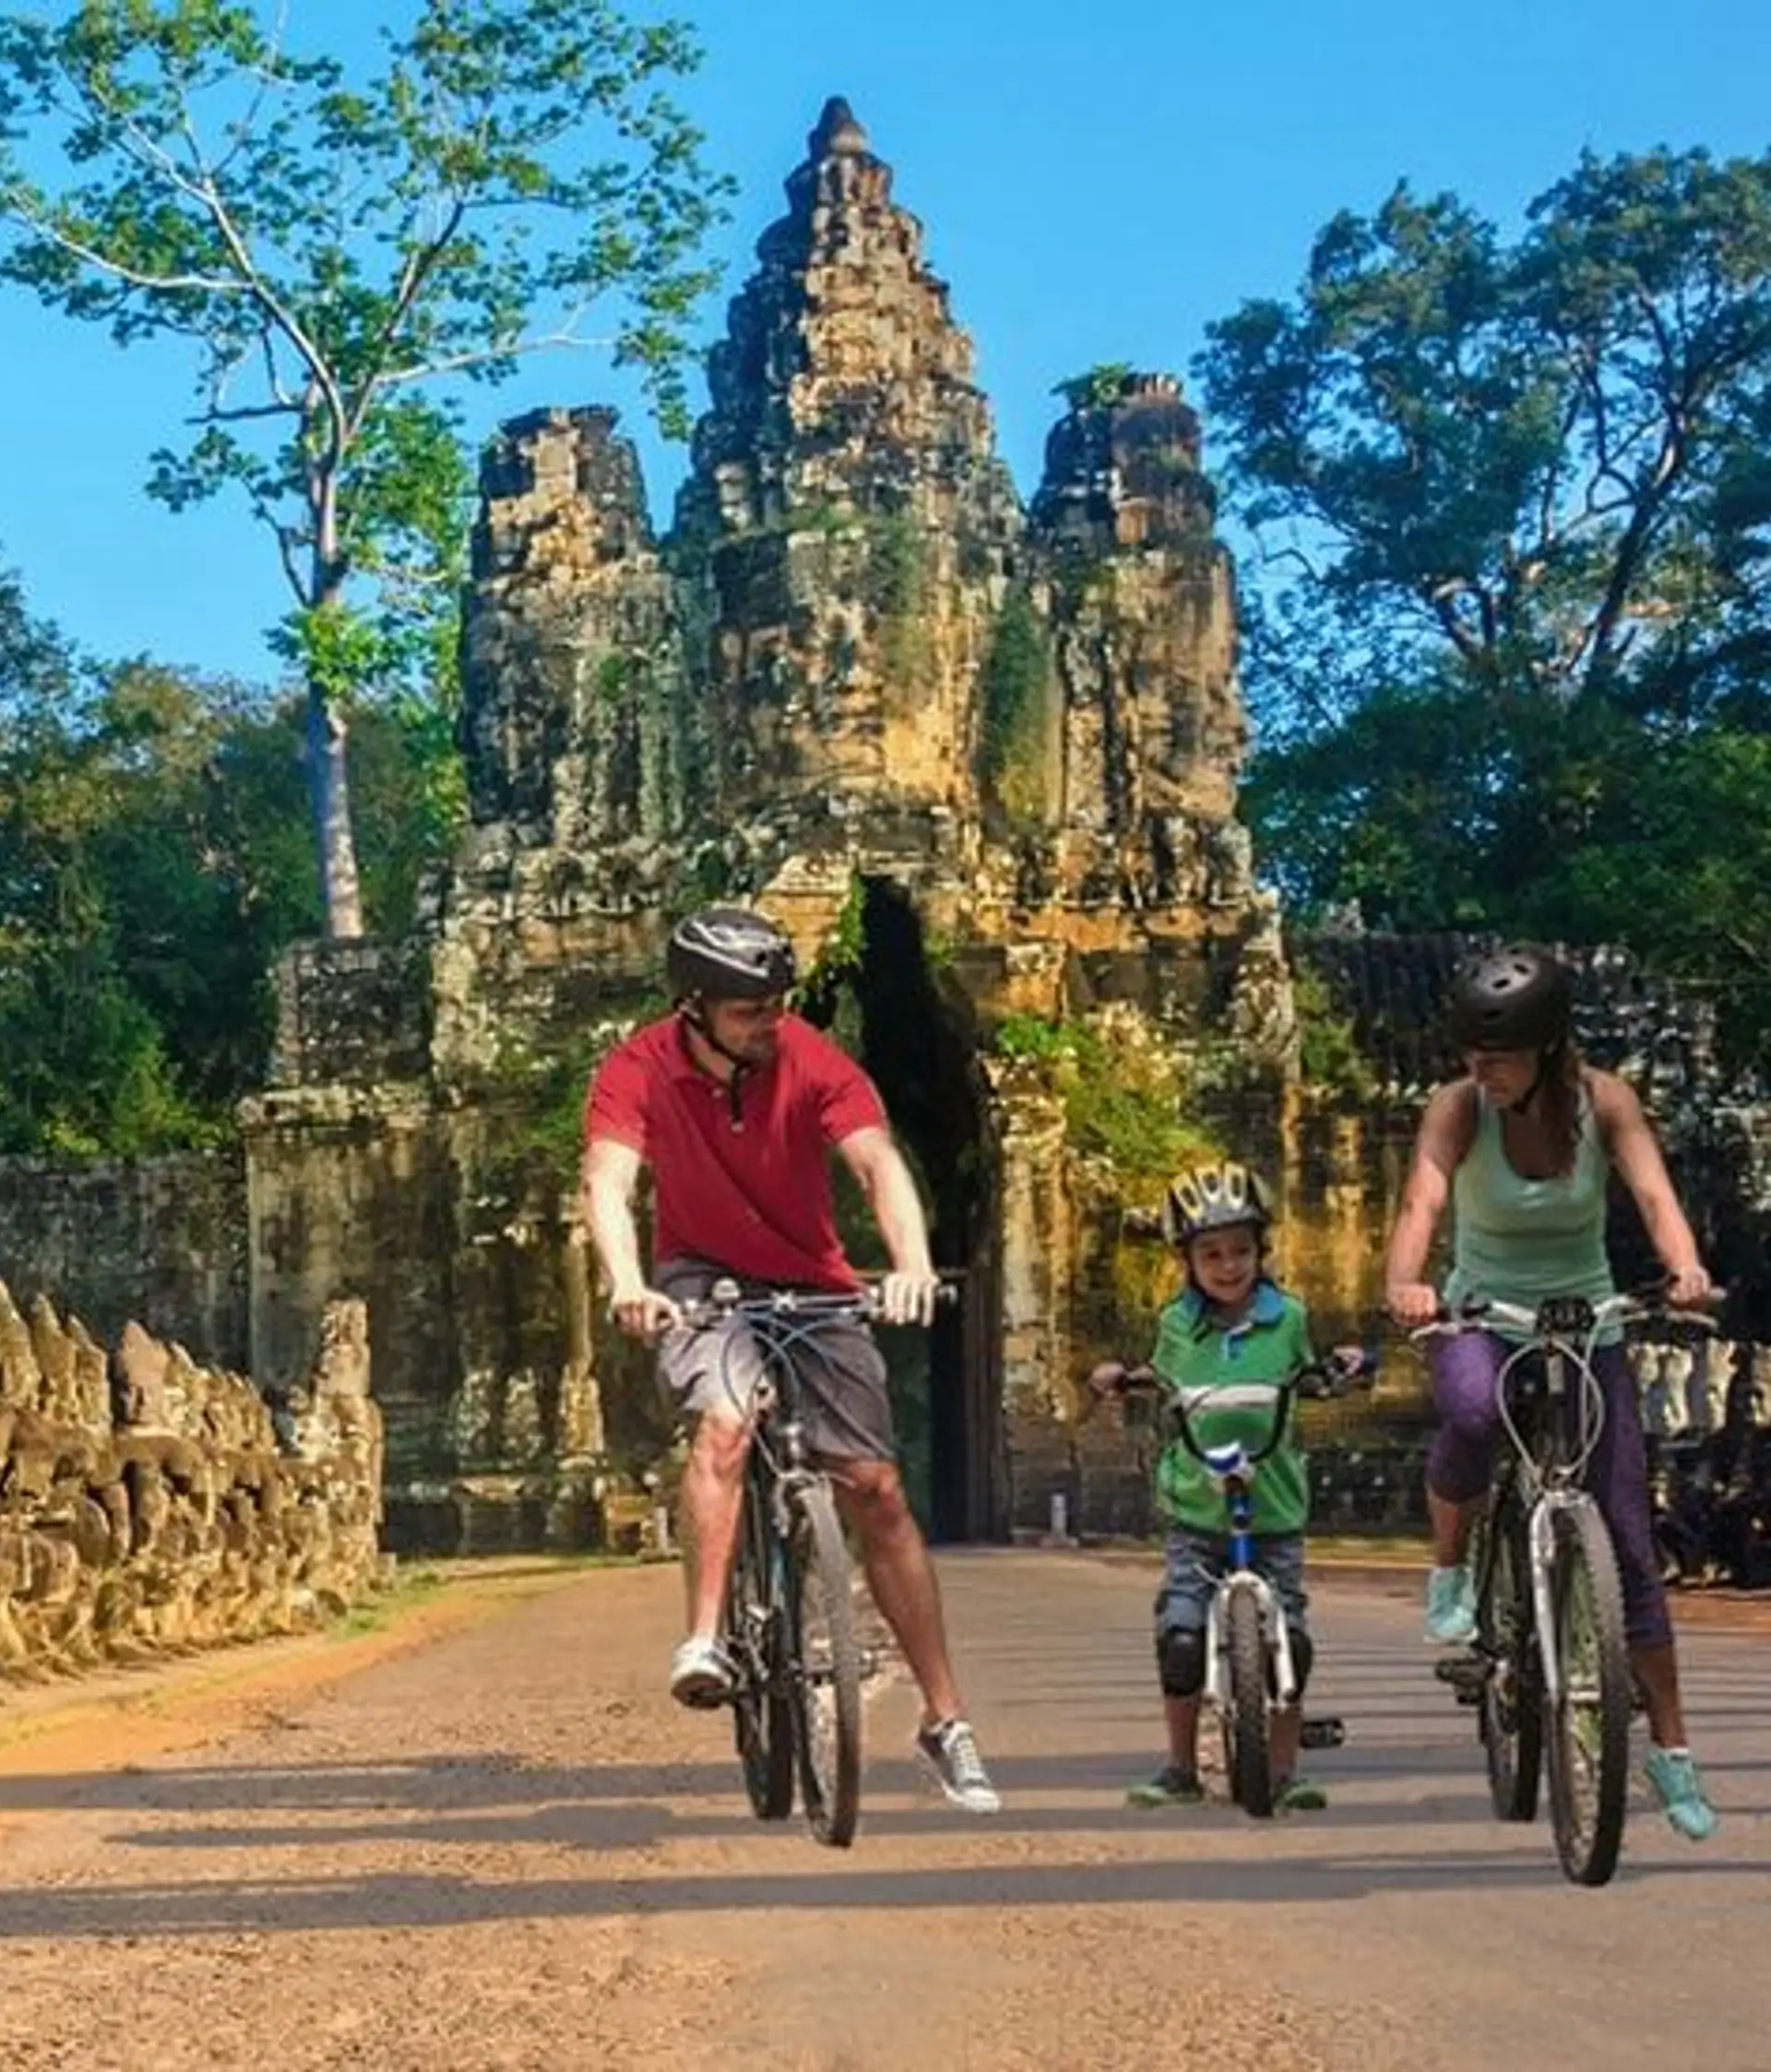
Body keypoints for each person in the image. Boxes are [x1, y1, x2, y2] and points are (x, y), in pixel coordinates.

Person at [578, 903, 1000, 1815]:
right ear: (693, 1008)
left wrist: (915, 1267)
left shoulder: (811, 1057)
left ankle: (945, 1717)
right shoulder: (637, 1068)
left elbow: (878, 1164)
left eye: (775, 1002)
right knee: (726, 1423)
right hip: (697, 1280)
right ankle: (703, 1641)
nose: (769, 1021)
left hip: (814, 1280)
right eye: (746, 1009)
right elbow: (608, 1181)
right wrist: (626, 1280)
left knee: (876, 1487)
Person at [1384, 942, 1718, 1841]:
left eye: (1496, 1056)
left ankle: (1673, 1751)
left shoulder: (1605, 1099)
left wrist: (1684, 1264)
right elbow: (1421, 1200)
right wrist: (1407, 1281)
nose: (1479, 1071)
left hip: (1586, 1319)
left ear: (1547, 1049)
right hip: (1483, 1312)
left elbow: (1652, 1192)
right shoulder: (1457, 1108)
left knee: (1631, 1542)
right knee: (1469, 1410)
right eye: (1471, 1054)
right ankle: (1453, 1569)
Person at [1090, 1159, 1360, 1813]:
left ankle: (1286, 1768)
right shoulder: (1176, 1324)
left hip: (1273, 1504)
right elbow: (1156, 1373)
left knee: (1286, 1640)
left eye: (1241, 1250)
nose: (1228, 1265)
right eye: (1211, 1253)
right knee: (1181, 1637)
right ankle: (1181, 1768)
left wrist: (1345, 1367)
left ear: (1261, 1252)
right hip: (1197, 1504)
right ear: (1187, 1259)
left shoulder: (1289, 1318)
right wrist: (1119, 1377)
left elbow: (1317, 1370)